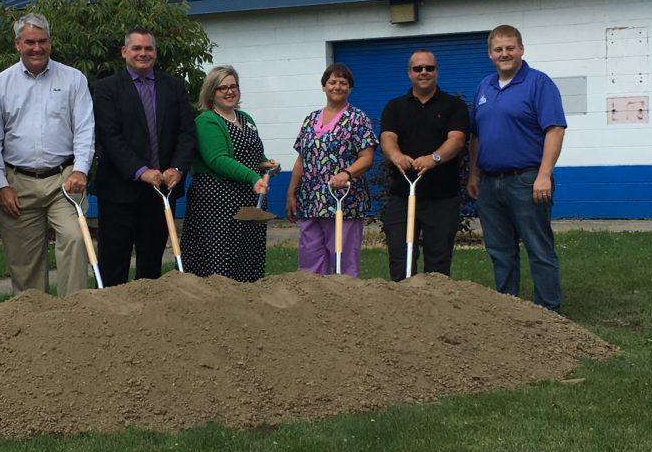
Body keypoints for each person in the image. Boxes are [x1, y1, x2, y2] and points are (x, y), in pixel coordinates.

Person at [0, 13, 95, 297]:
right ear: (17, 44)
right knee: (25, 263)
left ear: (50, 43)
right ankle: (35, 324)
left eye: (42, 41)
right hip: (17, 182)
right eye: (30, 42)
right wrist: (1, 185)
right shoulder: (0, 85)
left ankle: (73, 312)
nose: (37, 48)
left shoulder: (73, 79)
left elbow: (84, 129)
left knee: (75, 238)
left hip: (64, 180)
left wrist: (81, 169)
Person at [467, 24, 567, 310]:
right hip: (489, 183)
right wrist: (473, 173)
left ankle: (549, 311)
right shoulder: (484, 86)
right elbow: (476, 135)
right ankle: (508, 310)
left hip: (527, 180)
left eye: (510, 48)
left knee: (539, 248)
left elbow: (555, 130)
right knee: (499, 251)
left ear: (521, 49)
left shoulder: (539, 83)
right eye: (498, 49)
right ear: (490, 54)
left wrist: (544, 174)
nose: (505, 54)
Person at [92, 27, 196, 286]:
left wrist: (178, 168)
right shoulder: (106, 89)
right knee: (113, 264)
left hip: (161, 191)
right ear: (124, 52)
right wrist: (141, 171)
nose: (143, 53)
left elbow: (186, 133)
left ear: (155, 53)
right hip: (119, 191)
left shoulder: (174, 87)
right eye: (136, 48)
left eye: (148, 48)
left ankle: (147, 320)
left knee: (151, 267)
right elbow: (109, 136)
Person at [379, 49, 470, 281]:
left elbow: (457, 139)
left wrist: (434, 158)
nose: (424, 72)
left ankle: (436, 312)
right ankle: (405, 309)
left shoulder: (454, 106)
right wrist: (396, 155)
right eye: (418, 68)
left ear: (436, 71)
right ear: (409, 73)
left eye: (429, 68)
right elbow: (387, 138)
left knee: (438, 262)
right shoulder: (394, 106)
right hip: (402, 196)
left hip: (442, 198)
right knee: (401, 259)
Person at [180, 65, 275, 282]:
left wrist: (265, 164)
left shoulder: (245, 119)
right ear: (211, 92)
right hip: (218, 201)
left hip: (250, 200)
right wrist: (253, 177)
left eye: (233, 86)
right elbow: (218, 159)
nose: (229, 91)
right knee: (219, 259)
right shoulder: (207, 121)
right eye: (222, 87)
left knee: (249, 257)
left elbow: (253, 153)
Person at [285, 63, 377, 277]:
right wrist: (291, 191)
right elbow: (302, 158)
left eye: (343, 83)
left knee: (343, 261)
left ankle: (345, 304)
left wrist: (346, 174)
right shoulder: (310, 119)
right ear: (323, 87)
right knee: (309, 261)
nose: (337, 86)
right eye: (332, 82)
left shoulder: (358, 119)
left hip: (343, 202)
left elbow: (367, 158)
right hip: (310, 201)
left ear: (350, 88)